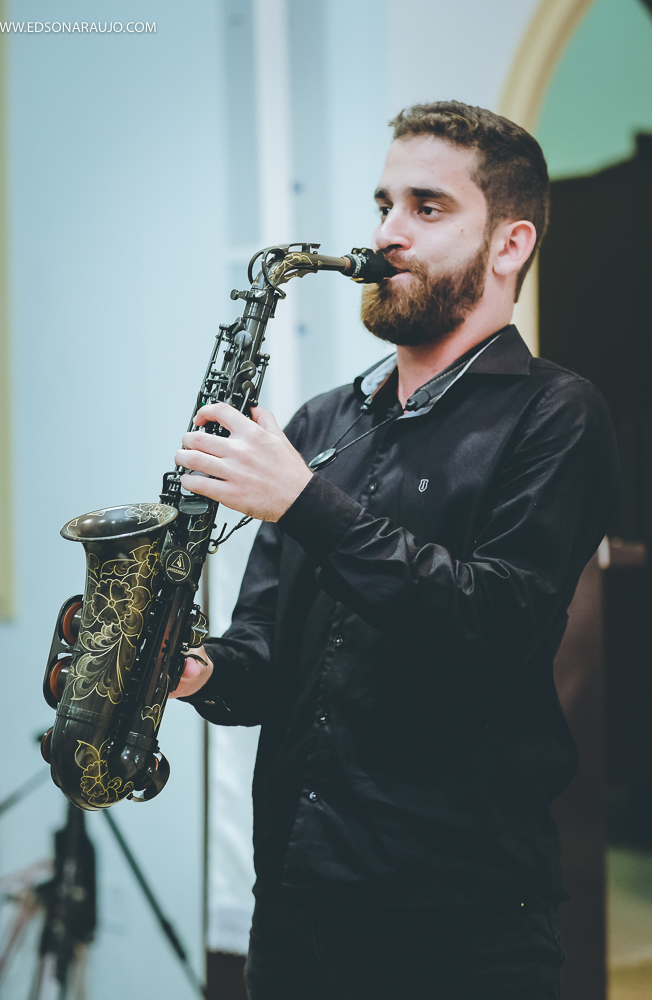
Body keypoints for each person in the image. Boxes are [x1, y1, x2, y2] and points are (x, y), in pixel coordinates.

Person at [169, 101, 619, 999]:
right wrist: (192, 671)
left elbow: (495, 624)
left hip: (464, 926)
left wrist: (304, 502)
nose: (387, 233)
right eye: (384, 204)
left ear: (510, 244)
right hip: (293, 909)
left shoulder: (558, 414)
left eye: (427, 206)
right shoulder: (320, 423)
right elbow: (265, 657)